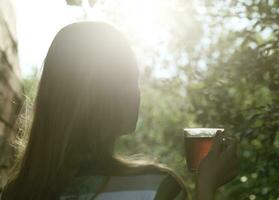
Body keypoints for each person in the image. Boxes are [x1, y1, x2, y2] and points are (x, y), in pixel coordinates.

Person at [1, 22, 237, 200]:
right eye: (130, 79)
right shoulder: (155, 188)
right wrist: (207, 185)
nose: (137, 92)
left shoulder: (16, 192)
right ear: (100, 91)